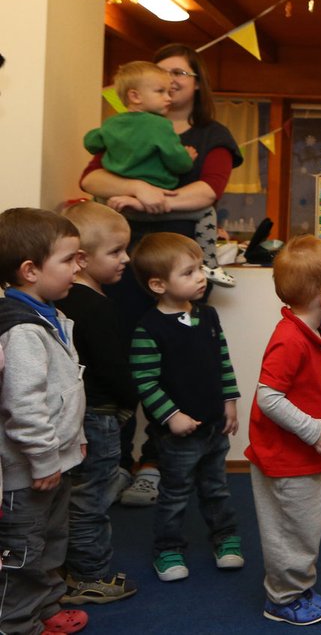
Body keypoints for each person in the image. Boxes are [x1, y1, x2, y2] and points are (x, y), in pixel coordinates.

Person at [81, 43, 244, 507]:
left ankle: (155, 463)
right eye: (162, 74)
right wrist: (136, 187)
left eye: (180, 73)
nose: (171, 81)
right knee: (119, 357)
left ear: (196, 82)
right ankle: (113, 462)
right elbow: (91, 180)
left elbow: (207, 189)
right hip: (121, 264)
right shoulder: (122, 128)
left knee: (178, 363)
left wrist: (155, 201)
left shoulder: (212, 134)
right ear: (138, 90)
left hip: (179, 259)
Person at [246, 236, 321, 626]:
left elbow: (302, 389)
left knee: (304, 525)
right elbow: (268, 397)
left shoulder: (310, 333)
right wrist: (311, 428)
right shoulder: (289, 338)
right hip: (286, 457)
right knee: (292, 528)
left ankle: (297, 587)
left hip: (302, 453)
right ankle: (283, 599)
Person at [128, 232, 242, 582]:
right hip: (177, 435)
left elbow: (222, 361)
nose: (200, 277)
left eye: (200, 268)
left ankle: (224, 538)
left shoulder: (207, 317)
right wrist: (172, 416)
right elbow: (145, 381)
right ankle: (168, 548)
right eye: (189, 272)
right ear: (159, 284)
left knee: (216, 488)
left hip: (212, 427)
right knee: (175, 494)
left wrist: (230, 402)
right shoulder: (148, 328)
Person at [0, 208, 90, 634]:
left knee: (54, 541)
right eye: (70, 259)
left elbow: (67, 389)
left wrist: (76, 440)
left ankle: (48, 607)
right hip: (28, 473)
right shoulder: (21, 331)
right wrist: (42, 458)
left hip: (56, 461)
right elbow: (24, 405)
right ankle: (17, 623)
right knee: (23, 552)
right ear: (30, 270)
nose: (79, 267)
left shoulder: (49, 315)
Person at [57, 202, 139, 606]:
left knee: (75, 493)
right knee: (92, 500)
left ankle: (68, 567)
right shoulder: (97, 308)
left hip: (73, 415)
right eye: (116, 252)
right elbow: (113, 368)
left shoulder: (65, 301)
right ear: (83, 259)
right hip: (100, 417)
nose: (126, 259)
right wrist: (131, 401)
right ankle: (90, 576)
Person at [83, 61, 196, 191]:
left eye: (168, 92)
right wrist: (187, 158)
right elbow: (177, 162)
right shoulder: (160, 125)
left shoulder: (111, 122)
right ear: (135, 96)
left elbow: (91, 143)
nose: (168, 98)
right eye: (160, 91)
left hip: (115, 187)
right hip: (154, 189)